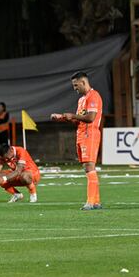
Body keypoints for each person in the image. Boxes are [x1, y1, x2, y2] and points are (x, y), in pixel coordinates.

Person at [50, 71, 103, 210]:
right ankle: (96, 202)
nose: (75, 88)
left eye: (76, 85)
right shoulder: (81, 100)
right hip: (81, 134)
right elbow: (78, 120)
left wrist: (72, 115)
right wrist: (62, 117)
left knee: (89, 167)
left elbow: (91, 118)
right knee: (87, 168)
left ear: (83, 82)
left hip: (90, 134)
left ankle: (91, 202)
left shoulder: (94, 96)